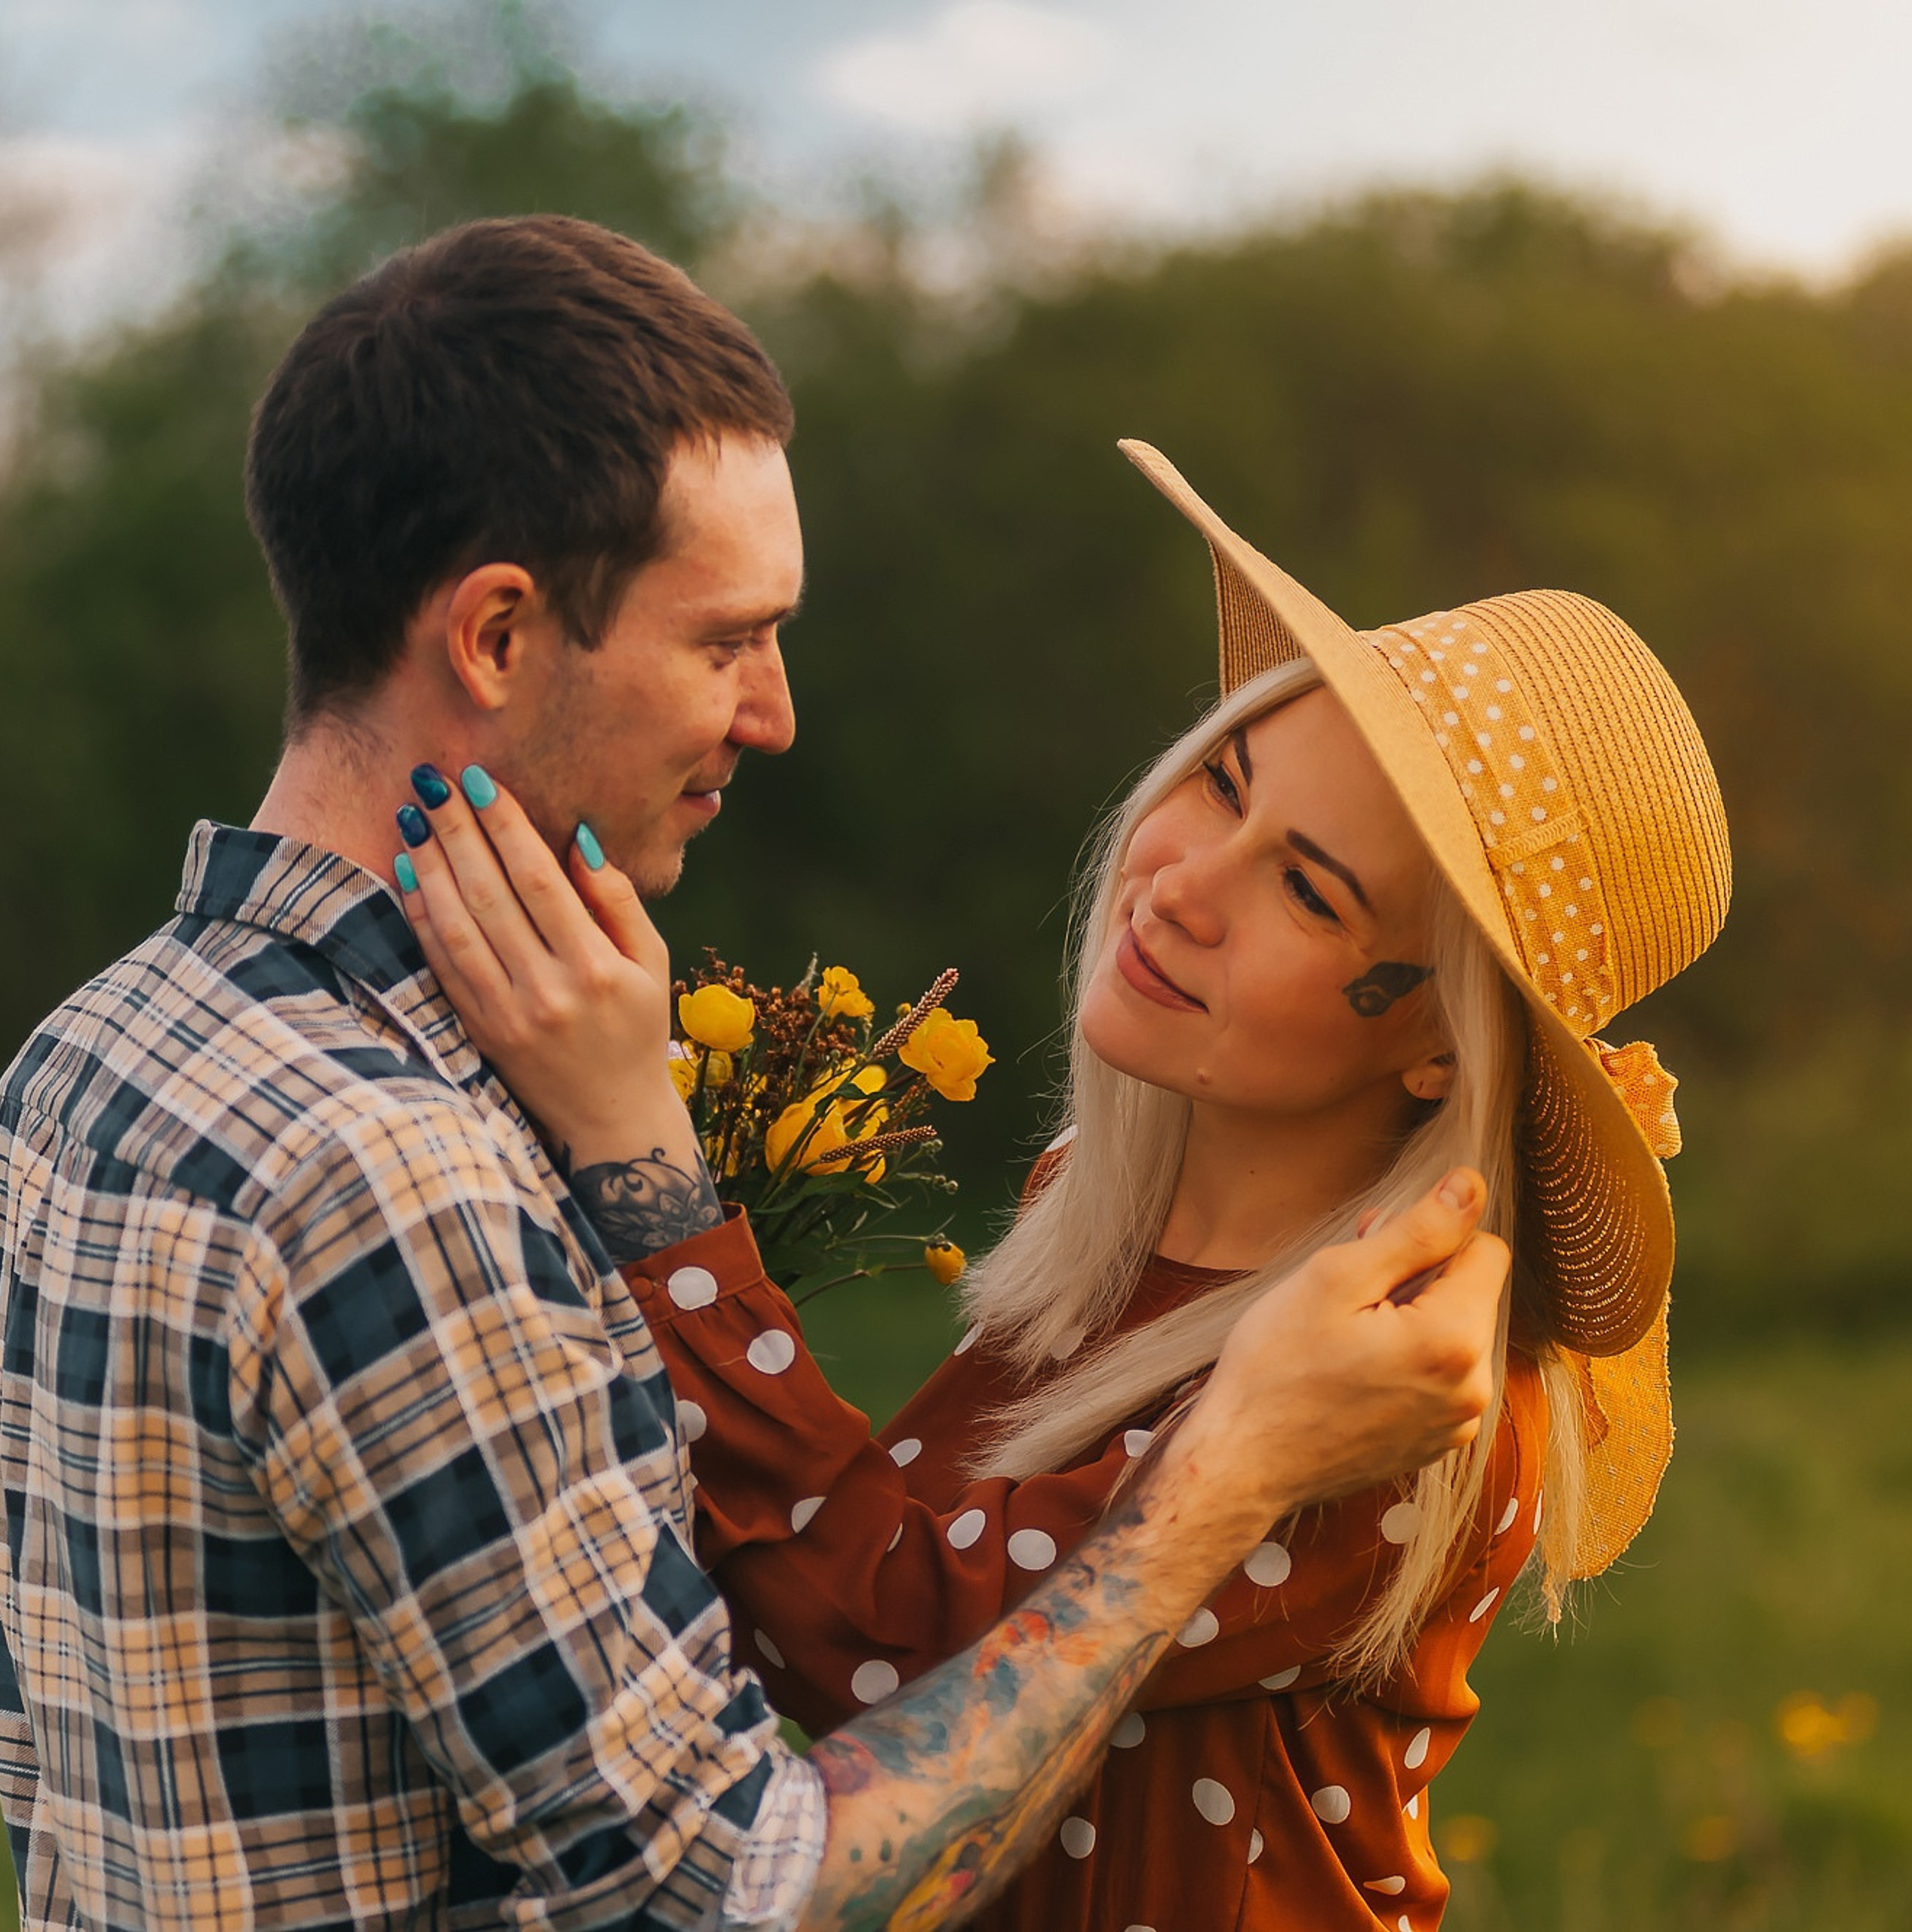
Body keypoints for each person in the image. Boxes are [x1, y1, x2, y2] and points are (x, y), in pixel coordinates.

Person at [0, 218, 1506, 1932]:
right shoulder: (393, 1167)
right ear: (495, 635)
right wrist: (1201, 1503)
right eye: (727, 638)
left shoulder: (84, 1059)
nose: (774, 711)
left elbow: (42, 1724)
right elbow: (732, 1891)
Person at [399, 438, 1729, 1930]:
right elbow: (890, 1547)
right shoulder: (1093, 1186)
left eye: (1306, 885)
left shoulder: (1393, 1371)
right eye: (1221, 781)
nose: (1181, 882)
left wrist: (644, 1160)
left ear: (1436, 1044)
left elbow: (885, 1651)